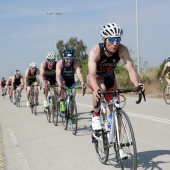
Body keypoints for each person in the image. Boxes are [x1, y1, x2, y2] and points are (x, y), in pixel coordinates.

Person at [87, 22, 145, 159]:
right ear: (104, 39)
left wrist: (137, 83)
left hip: (110, 79)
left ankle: (119, 146)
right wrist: (95, 89)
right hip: (95, 78)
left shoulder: (122, 50)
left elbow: (130, 69)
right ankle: (96, 116)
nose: (115, 43)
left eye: (118, 39)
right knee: (100, 89)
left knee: (115, 113)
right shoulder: (95, 51)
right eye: (112, 40)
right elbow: (91, 74)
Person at [56, 48, 86, 121]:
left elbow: (79, 73)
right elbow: (57, 75)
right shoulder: (60, 63)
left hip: (71, 80)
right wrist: (59, 84)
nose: (69, 60)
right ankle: (62, 103)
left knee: (73, 95)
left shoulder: (75, 63)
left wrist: (82, 82)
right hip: (62, 80)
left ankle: (72, 115)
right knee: (62, 85)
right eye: (67, 58)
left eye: (71, 58)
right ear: (64, 57)